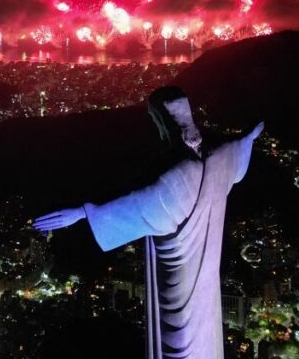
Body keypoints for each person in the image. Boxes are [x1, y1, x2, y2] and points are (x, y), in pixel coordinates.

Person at [33, 86, 263, 359]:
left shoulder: (172, 177)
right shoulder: (221, 155)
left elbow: (134, 200)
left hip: (177, 287)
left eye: (155, 121)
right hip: (206, 283)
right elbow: (238, 147)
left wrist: (82, 212)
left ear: (163, 121)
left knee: (178, 345)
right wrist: (249, 138)